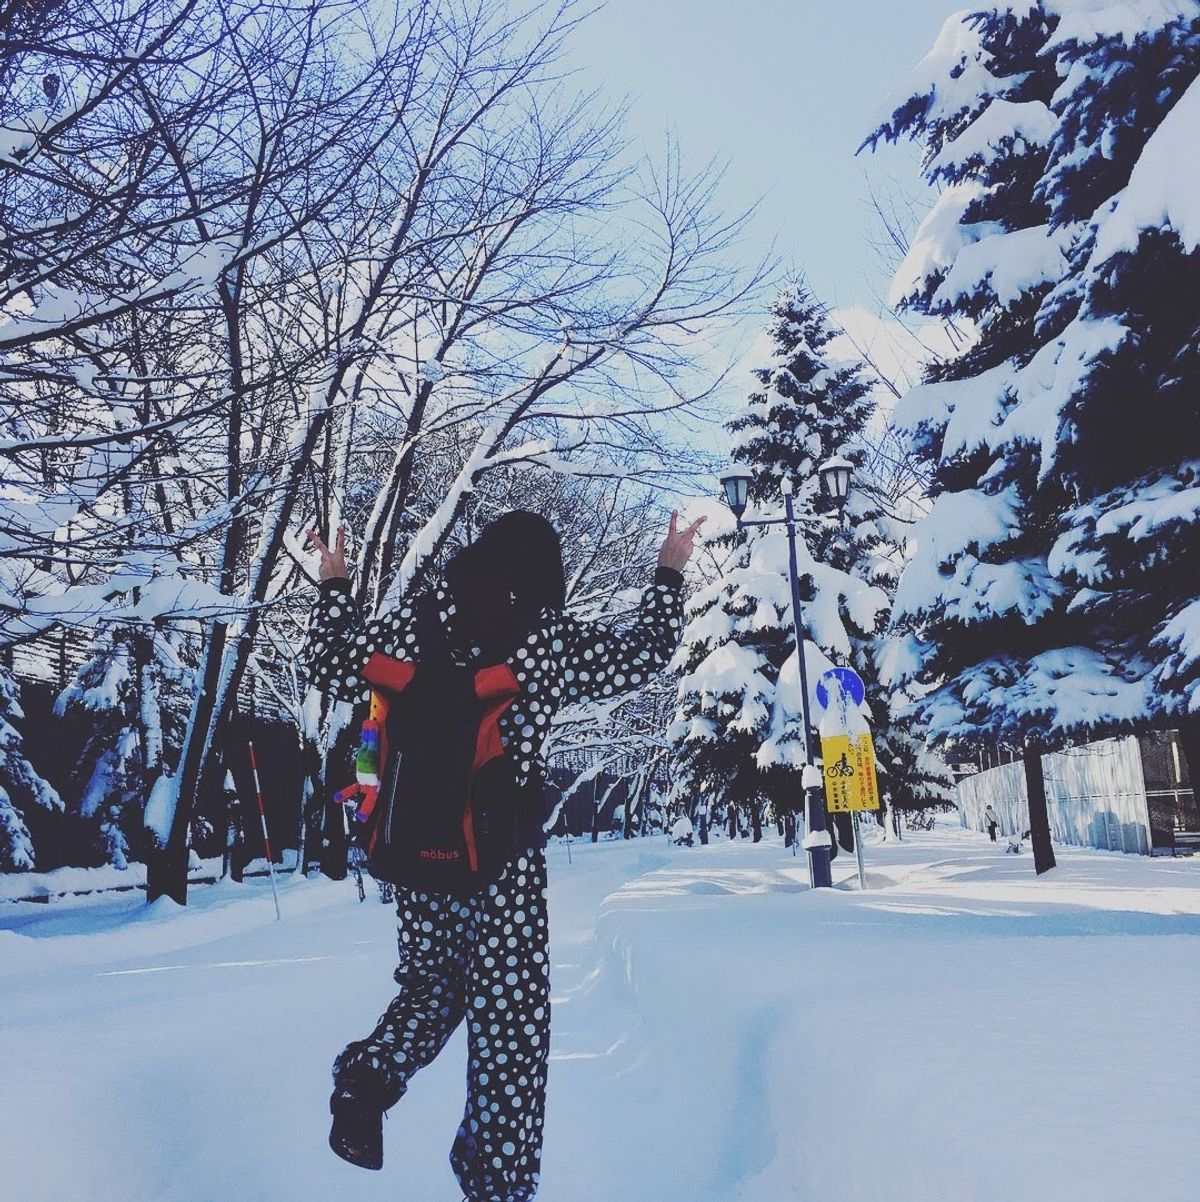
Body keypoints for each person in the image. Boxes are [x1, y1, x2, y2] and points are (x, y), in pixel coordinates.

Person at [303, 509, 702, 1202]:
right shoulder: (544, 640)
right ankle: (496, 1183)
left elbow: (330, 659)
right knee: (509, 1027)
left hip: (417, 856)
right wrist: (668, 573)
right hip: (502, 867)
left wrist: (335, 585)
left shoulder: (413, 624)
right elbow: (643, 653)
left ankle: (368, 1081)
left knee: (430, 987)